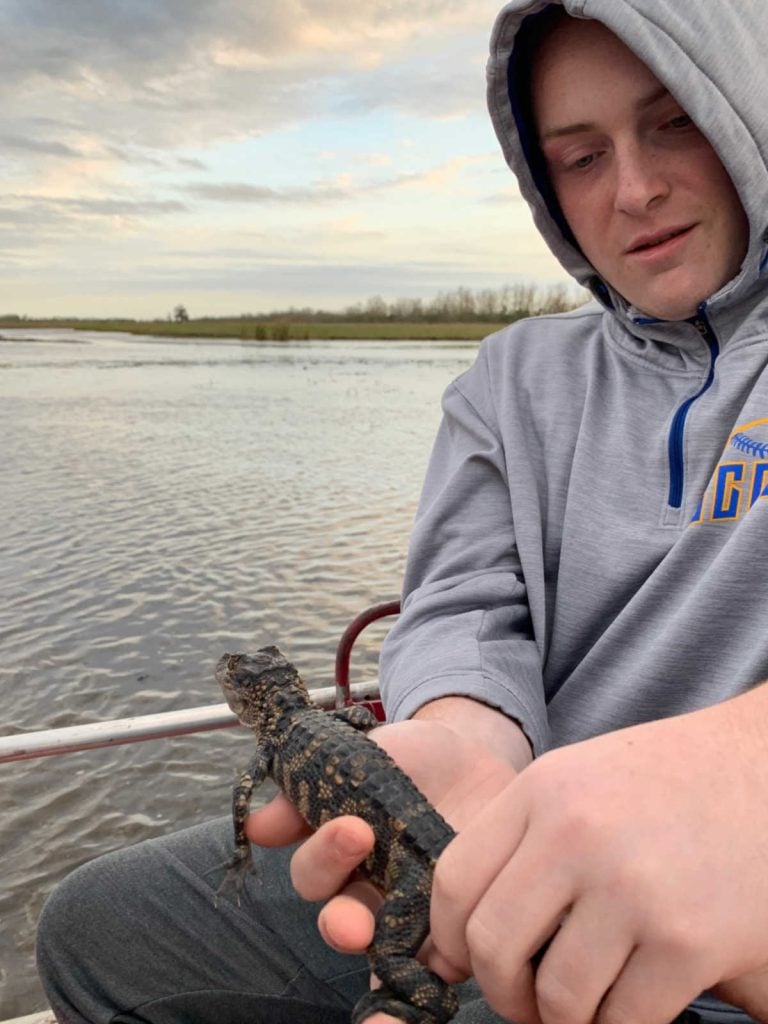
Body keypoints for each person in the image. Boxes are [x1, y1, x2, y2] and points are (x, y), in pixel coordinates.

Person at [36, 2, 768, 1023]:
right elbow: (463, 598)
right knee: (94, 927)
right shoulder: (512, 376)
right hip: (483, 846)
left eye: (674, 122)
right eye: (580, 154)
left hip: (717, 942)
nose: (636, 188)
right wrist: (470, 728)